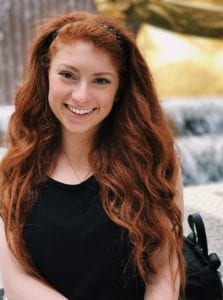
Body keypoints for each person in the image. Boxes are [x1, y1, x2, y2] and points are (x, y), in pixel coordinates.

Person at [0, 11, 185, 300]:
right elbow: (16, 277)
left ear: (120, 89)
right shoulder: (16, 165)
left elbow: (164, 270)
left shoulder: (154, 157)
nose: (81, 96)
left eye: (101, 81)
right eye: (67, 75)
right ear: (45, 75)